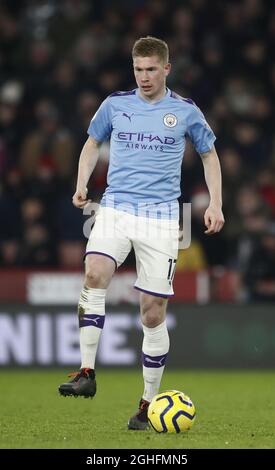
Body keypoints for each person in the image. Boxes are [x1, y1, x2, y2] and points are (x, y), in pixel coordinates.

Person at [58, 36, 224, 430]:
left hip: (162, 218)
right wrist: (82, 183)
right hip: (115, 207)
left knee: (152, 313)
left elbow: (209, 155)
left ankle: (146, 404)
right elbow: (91, 143)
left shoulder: (184, 111)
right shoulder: (115, 104)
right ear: (132, 69)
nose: (144, 77)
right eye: (138, 69)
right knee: (94, 273)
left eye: (152, 69)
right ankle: (86, 373)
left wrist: (215, 203)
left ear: (166, 69)